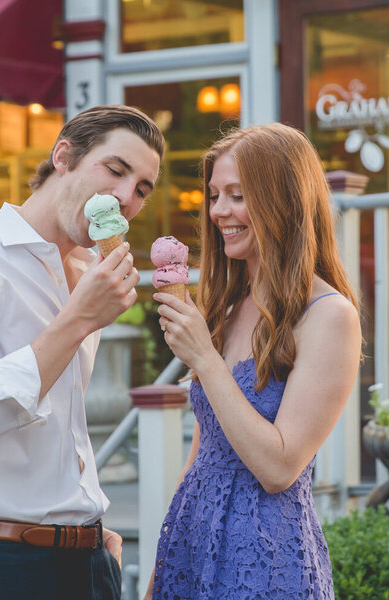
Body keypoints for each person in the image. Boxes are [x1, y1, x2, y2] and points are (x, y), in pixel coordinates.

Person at [0, 105, 165, 600]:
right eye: (116, 170)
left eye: (142, 189)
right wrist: (77, 320)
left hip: (89, 562)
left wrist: (87, 528)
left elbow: (63, 430)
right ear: (63, 156)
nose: (127, 197)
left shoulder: (89, 273)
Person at [148, 123, 362, 600]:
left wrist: (204, 358)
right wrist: (161, 572)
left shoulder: (329, 317)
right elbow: (202, 453)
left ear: (281, 201)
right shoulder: (226, 309)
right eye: (214, 195)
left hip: (263, 559)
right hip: (191, 544)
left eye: (237, 196)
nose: (219, 211)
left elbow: (279, 467)